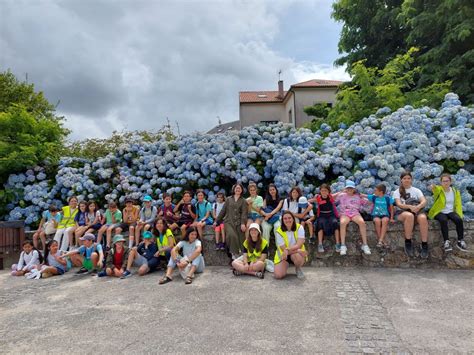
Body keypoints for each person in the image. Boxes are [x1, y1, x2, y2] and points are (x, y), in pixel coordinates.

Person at [393, 171, 429, 258]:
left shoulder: (417, 190)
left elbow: (424, 201)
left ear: (411, 180)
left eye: (408, 178)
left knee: (423, 218)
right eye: (404, 178)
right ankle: (408, 242)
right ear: (401, 180)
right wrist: (409, 206)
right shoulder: (397, 192)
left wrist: (418, 207)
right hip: (402, 212)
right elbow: (399, 204)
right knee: (409, 216)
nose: (406, 180)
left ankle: (424, 244)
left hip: (416, 211)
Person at [428, 174, 467, 252]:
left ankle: (460, 240)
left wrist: (459, 214)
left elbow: (458, 204)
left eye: (447, 181)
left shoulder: (455, 191)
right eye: (443, 181)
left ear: (450, 181)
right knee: (443, 220)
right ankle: (446, 242)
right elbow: (435, 188)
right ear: (441, 182)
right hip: (439, 211)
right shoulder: (439, 190)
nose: (445, 183)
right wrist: (433, 187)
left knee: (458, 220)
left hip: (450, 211)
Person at [335, 181, 371, 256]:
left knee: (362, 222)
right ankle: (343, 245)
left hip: (355, 213)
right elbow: (332, 199)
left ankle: (365, 244)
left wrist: (366, 196)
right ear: (346, 189)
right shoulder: (341, 195)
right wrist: (340, 192)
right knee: (342, 223)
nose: (349, 190)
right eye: (348, 188)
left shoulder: (358, 196)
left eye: (351, 188)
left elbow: (368, 202)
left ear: (354, 189)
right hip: (345, 213)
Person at [215, 183, 248, 260]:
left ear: (242, 190)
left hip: (239, 222)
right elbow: (223, 211)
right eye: (236, 188)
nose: (238, 189)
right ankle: (234, 255)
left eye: (239, 188)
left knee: (241, 237)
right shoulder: (228, 199)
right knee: (231, 236)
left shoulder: (243, 201)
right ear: (234, 189)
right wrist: (217, 221)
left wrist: (243, 223)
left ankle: (242, 256)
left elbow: (244, 213)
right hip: (229, 222)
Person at [274, 211, 307, 280]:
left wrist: (287, 249)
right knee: (278, 276)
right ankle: (285, 265)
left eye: (289, 218)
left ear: (293, 219)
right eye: (285, 219)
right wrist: (298, 250)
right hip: (284, 255)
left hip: (295, 254)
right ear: (282, 221)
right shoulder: (279, 231)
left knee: (297, 257)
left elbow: (298, 244)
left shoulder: (299, 227)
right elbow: (283, 249)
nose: (287, 220)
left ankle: (298, 268)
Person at [309, 184, 340, 253]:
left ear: (328, 191)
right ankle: (320, 244)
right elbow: (310, 201)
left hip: (331, 215)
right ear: (320, 191)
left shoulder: (331, 197)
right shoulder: (318, 198)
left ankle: (338, 244)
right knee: (320, 224)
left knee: (335, 223)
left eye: (325, 190)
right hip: (322, 215)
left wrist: (345, 191)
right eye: (322, 190)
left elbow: (339, 193)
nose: (324, 192)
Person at [366, 184, 395, 249]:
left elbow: (391, 208)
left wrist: (392, 218)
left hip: (385, 214)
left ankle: (380, 241)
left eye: (376, 190)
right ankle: (382, 241)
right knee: (377, 221)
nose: (374, 192)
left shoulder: (387, 198)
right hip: (375, 214)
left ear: (381, 192)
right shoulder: (374, 197)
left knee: (385, 221)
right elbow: (364, 195)